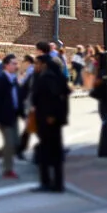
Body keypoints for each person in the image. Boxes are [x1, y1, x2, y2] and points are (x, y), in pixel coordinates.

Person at [32, 53, 69, 193]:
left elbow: (46, 99)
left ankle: (46, 182)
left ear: (44, 65)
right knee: (55, 153)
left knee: (46, 152)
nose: (36, 66)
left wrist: (50, 115)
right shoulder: (58, 78)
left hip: (47, 120)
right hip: (55, 120)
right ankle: (57, 183)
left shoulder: (46, 78)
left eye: (37, 64)